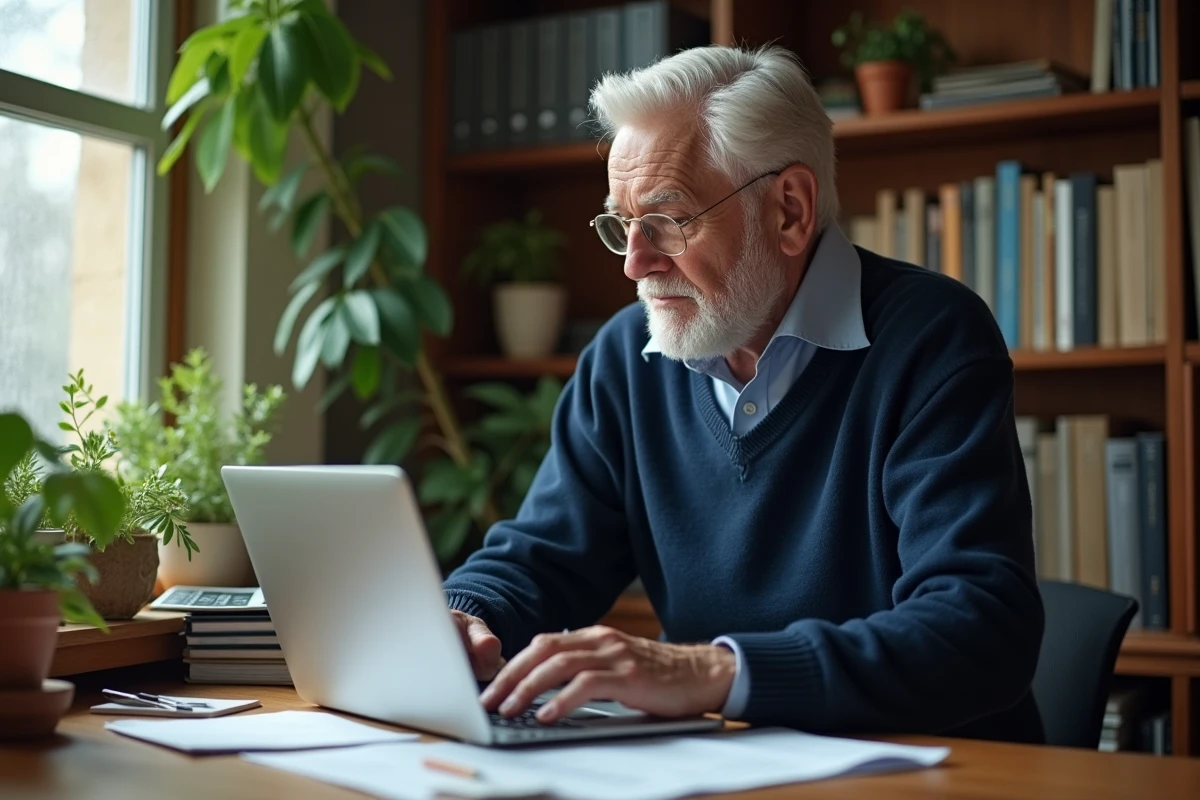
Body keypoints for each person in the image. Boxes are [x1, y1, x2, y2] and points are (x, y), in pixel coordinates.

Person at [442, 44, 1045, 744]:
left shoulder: (932, 339)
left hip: (936, 769)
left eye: (667, 220)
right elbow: (541, 559)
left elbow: (982, 628)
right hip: (724, 765)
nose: (636, 262)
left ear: (789, 209)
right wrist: (464, 617)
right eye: (621, 224)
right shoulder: (625, 356)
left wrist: (710, 671)